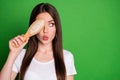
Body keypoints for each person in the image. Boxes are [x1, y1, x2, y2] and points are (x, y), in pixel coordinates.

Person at [0, 3, 77, 80]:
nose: (45, 30)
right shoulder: (21, 55)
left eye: (51, 24)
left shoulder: (66, 57)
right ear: (32, 27)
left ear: (56, 27)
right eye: (40, 25)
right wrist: (13, 53)